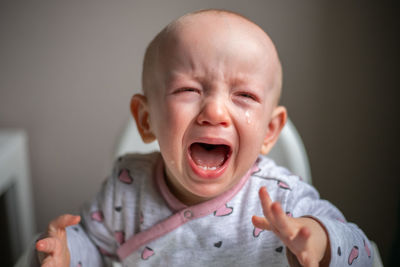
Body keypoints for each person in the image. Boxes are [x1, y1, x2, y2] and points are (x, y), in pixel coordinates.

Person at [34, 9, 373, 267]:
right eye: (188, 89)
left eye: (244, 96)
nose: (215, 112)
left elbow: (365, 253)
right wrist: (67, 252)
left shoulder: (282, 201)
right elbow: (95, 247)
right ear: (146, 118)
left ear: (270, 130)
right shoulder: (126, 187)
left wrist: (322, 243)